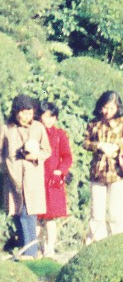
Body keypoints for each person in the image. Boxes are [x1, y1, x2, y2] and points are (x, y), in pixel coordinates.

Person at [83, 90, 123, 242]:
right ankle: (98, 243)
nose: (108, 112)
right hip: (98, 172)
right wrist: (99, 146)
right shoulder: (94, 123)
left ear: (117, 108)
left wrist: (117, 147)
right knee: (96, 214)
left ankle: (118, 242)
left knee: (115, 213)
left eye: (112, 108)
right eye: (105, 108)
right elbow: (85, 143)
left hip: (118, 173)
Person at [1, 94, 47, 256]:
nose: (26, 116)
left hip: (32, 179)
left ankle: (30, 252)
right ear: (15, 112)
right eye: (22, 112)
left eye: (29, 113)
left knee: (29, 214)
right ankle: (24, 248)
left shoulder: (38, 127)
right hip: (13, 179)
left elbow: (46, 151)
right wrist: (6, 167)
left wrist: (34, 155)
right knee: (17, 214)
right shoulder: (6, 128)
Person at [37, 100, 72, 258]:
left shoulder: (60, 135)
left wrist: (61, 171)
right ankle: (37, 248)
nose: (49, 120)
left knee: (50, 218)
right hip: (37, 180)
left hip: (53, 181)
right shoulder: (35, 132)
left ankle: (50, 249)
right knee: (36, 217)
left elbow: (67, 157)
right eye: (46, 116)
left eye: (52, 116)